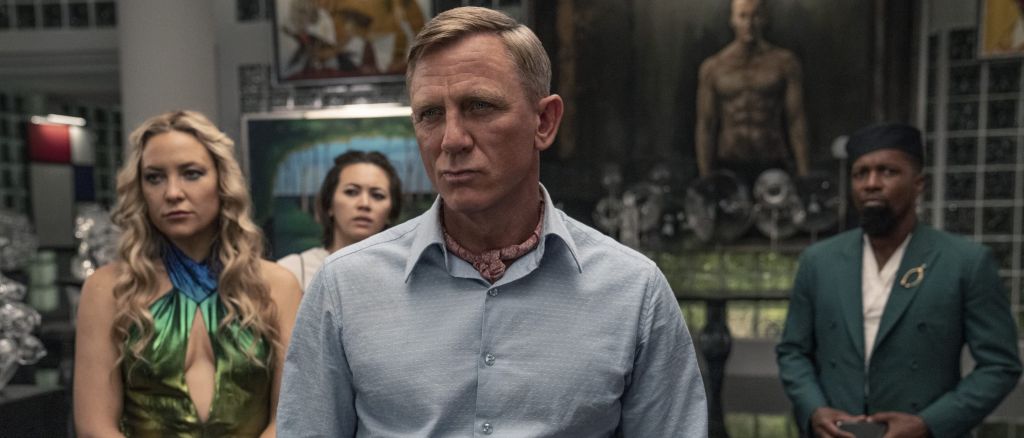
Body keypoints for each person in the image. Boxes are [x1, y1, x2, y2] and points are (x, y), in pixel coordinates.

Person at [278, 6, 707, 436]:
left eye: (479, 106)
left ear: (544, 122)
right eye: (430, 114)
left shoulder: (632, 292)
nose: (452, 140)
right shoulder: (345, 288)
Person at [776, 122, 1022, 438]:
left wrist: (929, 423)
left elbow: (1000, 365)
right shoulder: (818, 261)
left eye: (887, 172)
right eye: (860, 173)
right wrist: (814, 410)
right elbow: (793, 351)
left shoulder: (964, 262)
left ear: (919, 183)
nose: (871, 184)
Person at [73, 110, 302, 437]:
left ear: (222, 182)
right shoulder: (109, 289)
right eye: (154, 178)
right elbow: (95, 427)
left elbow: (290, 417)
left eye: (191, 174)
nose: (172, 193)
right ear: (140, 190)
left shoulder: (276, 285)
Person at [696, 0, 810, 184]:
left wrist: (804, 172)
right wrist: (705, 176)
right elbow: (706, 125)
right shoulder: (714, 67)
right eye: (742, 16)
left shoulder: (785, 63)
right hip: (729, 163)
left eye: (755, 15)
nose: (749, 24)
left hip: (772, 161)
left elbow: (796, 120)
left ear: (764, 18)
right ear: (732, 20)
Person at [277, 150, 403, 289]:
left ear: (391, 211)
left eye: (377, 195)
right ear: (329, 204)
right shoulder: (292, 271)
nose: (364, 204)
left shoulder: (404, 273)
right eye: (351, 192)